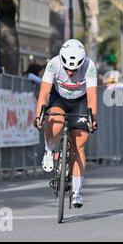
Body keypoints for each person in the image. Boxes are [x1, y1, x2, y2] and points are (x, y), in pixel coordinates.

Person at [34, 39, 98, 209]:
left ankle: (77, 192)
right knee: (55, 122)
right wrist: (39, 116)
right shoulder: (53, 64)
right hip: (59, 99)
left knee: (79, 145)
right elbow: (44, 94)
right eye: (68, 68)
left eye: (74, 69)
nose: (70, 72)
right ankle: (49, 149)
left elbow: (92, 96)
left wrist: (93, 118)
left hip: (80, 101)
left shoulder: (89, 66)